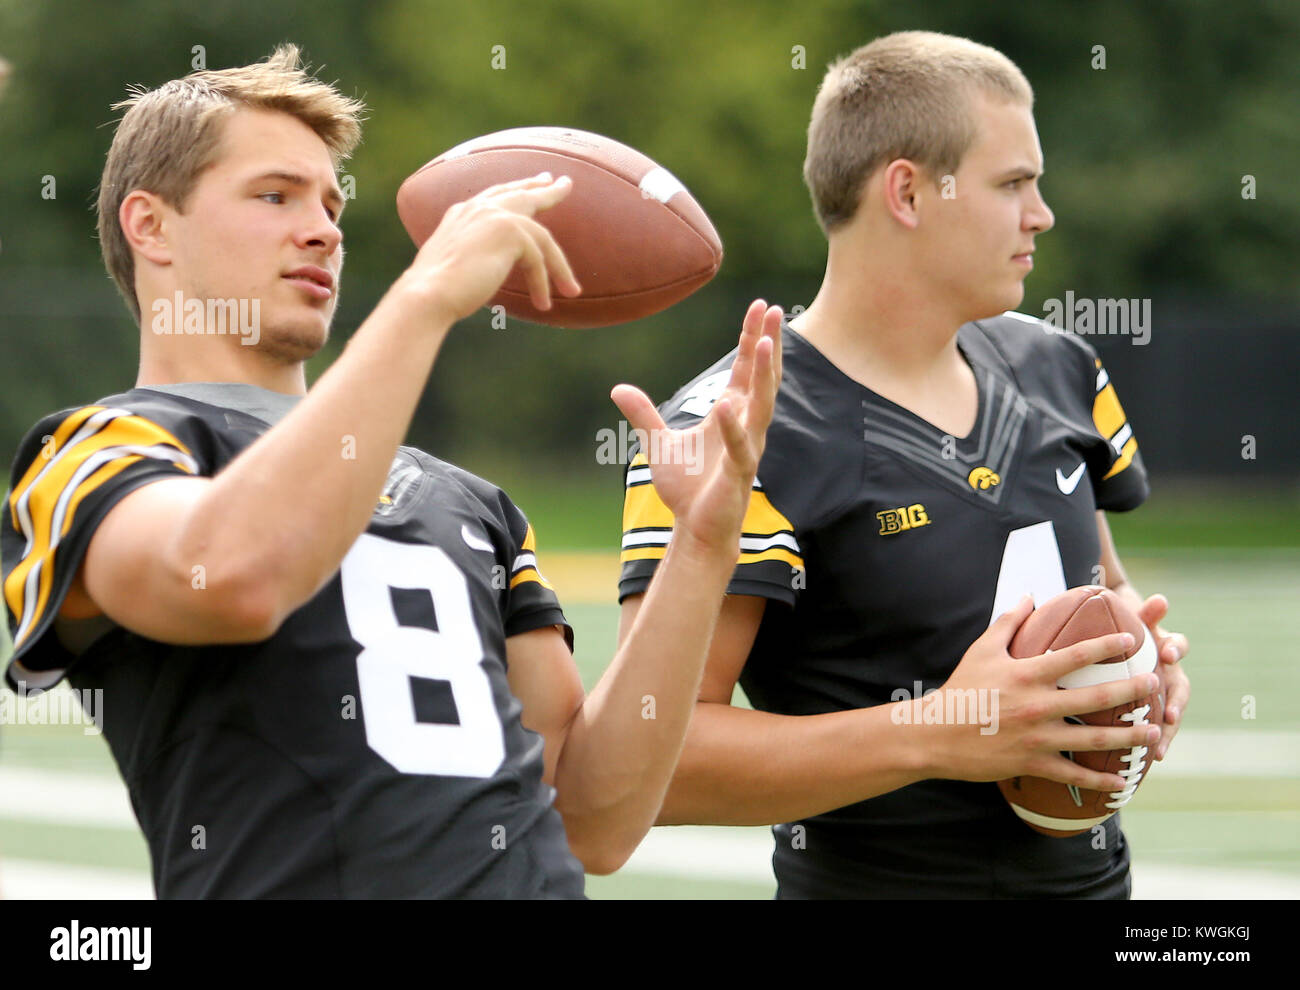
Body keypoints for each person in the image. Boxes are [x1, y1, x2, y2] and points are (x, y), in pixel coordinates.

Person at [0, 45, 784, 898]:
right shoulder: (94, 450)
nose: (323, 228)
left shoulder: (468, 501)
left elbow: (593, 820)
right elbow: (235, 572)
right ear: (149, 225)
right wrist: (424, 299)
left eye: (332, 203)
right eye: (275, 196)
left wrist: (703, 548)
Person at [618, 30, 1191, 898]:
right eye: (1014, 184)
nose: (1042, 214)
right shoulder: (733, 433)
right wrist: (942, 730)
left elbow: (1099, 592)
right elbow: (647, 760)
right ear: (909, 192)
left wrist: (1140, 667)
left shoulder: (1061, 368)